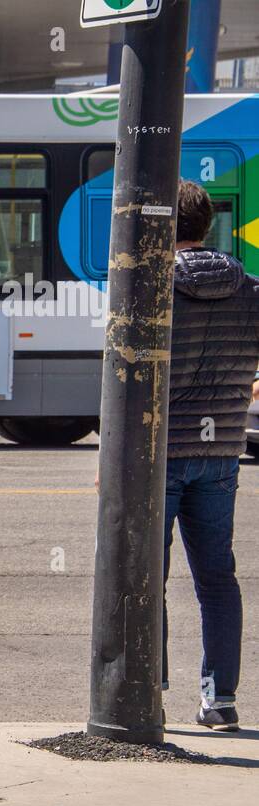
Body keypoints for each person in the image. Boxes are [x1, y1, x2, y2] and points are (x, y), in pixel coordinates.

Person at [163, 178, 259, 731]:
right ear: (208, 224)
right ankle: (219, 700)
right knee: (218, 580)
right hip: (221, 448)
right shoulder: (249, 288)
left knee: (143, 576)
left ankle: (143, 690)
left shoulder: (151, 287)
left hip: (158, 453)